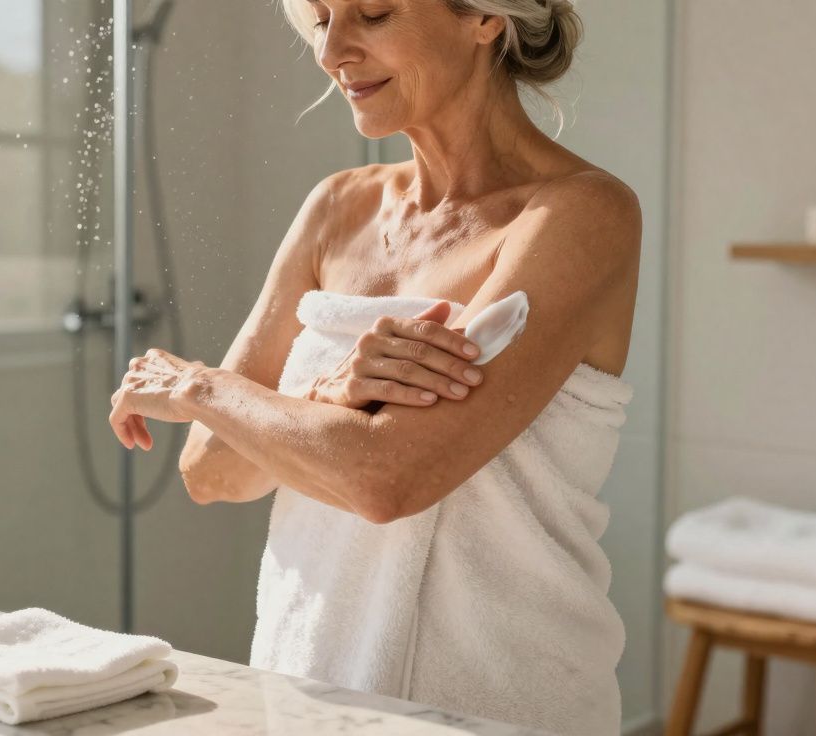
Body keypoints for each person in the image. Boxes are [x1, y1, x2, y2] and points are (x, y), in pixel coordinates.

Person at [109, 1, 641, 732]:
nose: (333, 52)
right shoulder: (336, 207)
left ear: (485, 18)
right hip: (310, 687)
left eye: (375, 13)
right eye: (323, 19)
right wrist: (329, 392)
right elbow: (212, 471)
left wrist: (201, 386)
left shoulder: (580, 215)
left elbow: (388, 479)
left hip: (503, 699)